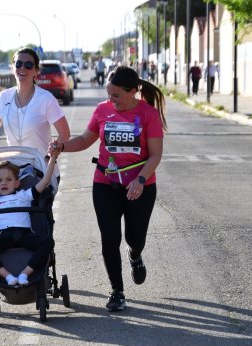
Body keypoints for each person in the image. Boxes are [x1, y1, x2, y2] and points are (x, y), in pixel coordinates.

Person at [49, 66, 166, 312]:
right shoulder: (102, 110)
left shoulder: (148, 114)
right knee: (109, 239)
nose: (111, 100)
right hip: (106, 184)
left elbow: (155, 155)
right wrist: (62, 146)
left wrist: (140, 181)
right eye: (109, 94)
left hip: (140, 186)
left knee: (136, 238)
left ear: (133, 92)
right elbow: (84, 140)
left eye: (116, 96)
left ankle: (135, 255)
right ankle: (117, 291)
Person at [0, 153, 59, 286]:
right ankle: (7, 276)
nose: (4, 183)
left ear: (17, 183)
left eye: (8, 179)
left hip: (25, 234)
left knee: (48, 242)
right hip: (3, 237)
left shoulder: (24, 196)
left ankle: (25, 273)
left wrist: (52, 159)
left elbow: (45, 182)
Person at [0, 47, 70, 167]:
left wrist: (49, 156)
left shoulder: (46, 99)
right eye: (18, 64)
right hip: (14, 172)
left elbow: (65, 133)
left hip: (42, 171)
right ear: (13, 68)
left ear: (36, 71)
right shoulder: (3, 97)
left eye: (28, 65)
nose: (22, 68)